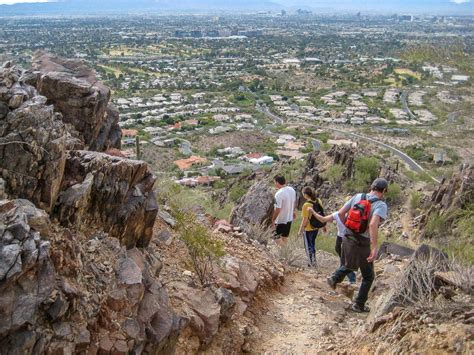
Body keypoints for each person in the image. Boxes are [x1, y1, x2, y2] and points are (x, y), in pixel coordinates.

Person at [326, 178, 389, 313]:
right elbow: (373, 224)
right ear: (383, 191)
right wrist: (374, 247)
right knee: (368, 276)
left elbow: (341, 213)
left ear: (372, 187)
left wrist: (347, 227)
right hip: (363, 242)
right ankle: (358, 304)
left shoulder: (358, 196)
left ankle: (335, 278)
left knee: (352, 264)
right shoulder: (380, 205)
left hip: (348, 236)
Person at [308, 207, 357, 283]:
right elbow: (323, 219)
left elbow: (323, 219)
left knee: (345, 260)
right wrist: (313, 212)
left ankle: (345, 278)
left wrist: (313, 211)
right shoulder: (341, 214)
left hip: (345, 240)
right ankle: (340, 277)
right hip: (344, 240)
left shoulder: (342, 215)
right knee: (344, 260)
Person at [298, 186, 326, 267]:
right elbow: (322, 213)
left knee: (308, 246)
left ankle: (311, 263)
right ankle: (313, 261)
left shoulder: (306, 205)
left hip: (308, 228)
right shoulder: (318, 201)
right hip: (316, 227)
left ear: (306, 195)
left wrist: (300, 230)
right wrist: (324, 225)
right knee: (312, 244)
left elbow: (305, 220)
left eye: (303, 193)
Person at [271, 175, 296, 246]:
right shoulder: (292, 190)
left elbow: (278, 209)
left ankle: (285, 251)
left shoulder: (279, 194)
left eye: (275, 182)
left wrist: (273, 220)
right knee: (284, 237)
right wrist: (293, 211)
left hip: (280, 220)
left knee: (275, 236)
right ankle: (284, 254)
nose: (274, 184)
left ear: (277, 182)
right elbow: (294, 201)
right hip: (289, 218)